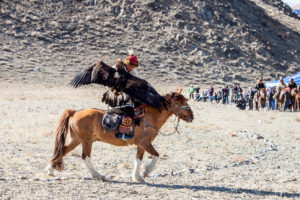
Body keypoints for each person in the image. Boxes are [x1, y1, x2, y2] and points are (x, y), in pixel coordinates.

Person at [108, 51, 140, 140]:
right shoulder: (115, 69)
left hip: (127, 95)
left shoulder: (134, 73)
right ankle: (122, 133)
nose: (132, 68)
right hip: (114, 94)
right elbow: (109, 83)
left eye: (134, 67)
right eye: (131, 66)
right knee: (129, 109)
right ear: (126, 63)